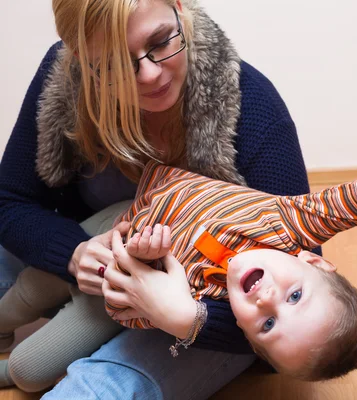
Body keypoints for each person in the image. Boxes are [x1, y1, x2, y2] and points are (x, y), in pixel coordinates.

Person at [0, 0, 318, 397]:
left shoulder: (254, 110)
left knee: (95, 391)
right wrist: (74, 253)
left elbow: (298, 293)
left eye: (161, 41)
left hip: (211, 307)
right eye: (115, 64)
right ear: (80, 58)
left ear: (179, 7)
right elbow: (9, 201)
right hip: (98, 277)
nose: (149, 74)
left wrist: (187, 316)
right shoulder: (63, 79)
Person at [1, 159, 357, 386]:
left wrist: (142, 263)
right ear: (313, 260)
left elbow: (126, 312)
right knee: (32, 286)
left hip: (117, 267)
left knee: (27, 368)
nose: (265, 299)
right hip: (121, 215)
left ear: (243, 329)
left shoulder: (199, 297)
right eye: (294, 296)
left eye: (268, 324)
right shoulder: (291, 221)